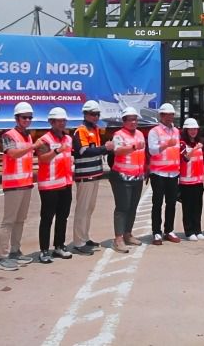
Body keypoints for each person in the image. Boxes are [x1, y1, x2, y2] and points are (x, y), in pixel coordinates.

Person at [0, 102, 38, 271]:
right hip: (13, 185)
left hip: (26, 184)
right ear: (17, 118)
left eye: (29, 118)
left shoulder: (27, 136)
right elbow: (12, 154)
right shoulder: (8, 136)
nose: (27, 120)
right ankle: (1, 257)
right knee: (8, 222)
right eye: (24, 117)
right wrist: (32, 147)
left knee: (20, 220)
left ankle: (15, 251)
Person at [70, 100, 114, 256]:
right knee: (82, 210)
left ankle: (85, 237)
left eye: (97, 114)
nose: (95, 117)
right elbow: (84, 151)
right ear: (85, 114)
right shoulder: (80, 131)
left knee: (89, 209)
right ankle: (78, 242)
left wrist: (106, 149)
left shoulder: (95, 130)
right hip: (85, 175)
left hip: (94, 175)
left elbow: (96, 150)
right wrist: (105, 148)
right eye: (93, 114)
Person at [34, 107, 75, 264]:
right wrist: (57, 151)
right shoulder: (44, 140)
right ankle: (44, 250)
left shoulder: (68, 138)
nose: (62, 123)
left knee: (63, 217)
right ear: (51, 122)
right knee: (47, 219)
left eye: (64, 121)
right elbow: (43, 159)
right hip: (49, 186)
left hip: (65, 183)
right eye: (59, 121)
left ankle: (59, 246)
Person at [110, 107, 147, 253]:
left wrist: (145, 169)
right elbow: (117, 150)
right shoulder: (118, 135)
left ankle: (127, 234)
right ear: (124, 121)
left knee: (133, 207)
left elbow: (142, 154)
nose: (133, 122)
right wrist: (133, 147)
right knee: (122, 207)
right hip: (121, 177)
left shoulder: (140, 134)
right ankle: (118, 239)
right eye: (130, 119)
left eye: (135, 119)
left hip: (137, 177)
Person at [148, 103, 182, 245]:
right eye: (166, 115)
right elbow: (152, 150)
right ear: (161, 116)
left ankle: (169, 230)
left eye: (171, 115)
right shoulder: (154, 131)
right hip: (158, 173)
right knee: (157, 203)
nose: (169, 117)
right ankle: (156, 232)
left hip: (173, 173)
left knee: (171, 203)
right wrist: (166, 144)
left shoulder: (176, 131)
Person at [178, 117, 204, 241]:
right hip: (186, 182)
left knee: (198, 207)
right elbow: (186, 158)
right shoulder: (182, 143)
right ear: (186, 130)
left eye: (195, 129)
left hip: (198, 181)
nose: (193, 131)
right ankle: (189, 231)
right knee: (188, 208)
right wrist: (195, 149)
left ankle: (198, 230)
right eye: (190, 129)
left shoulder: (199, 143)